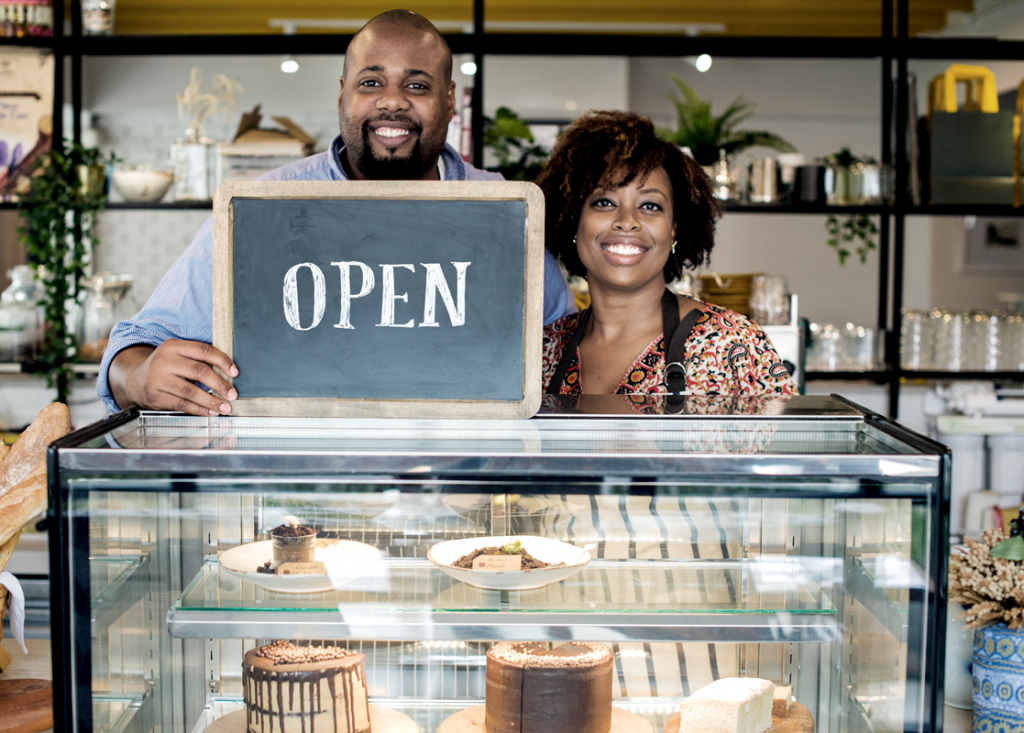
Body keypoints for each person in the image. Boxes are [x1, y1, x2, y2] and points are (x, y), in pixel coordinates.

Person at [98, 9, 575, 417]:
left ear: (449, 100)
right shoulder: (263, 208)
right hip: (300, 507)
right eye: (372, 82)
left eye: (417, 84)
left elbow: (567, 351)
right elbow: (133, 347)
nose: (393, 101)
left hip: (463, 497)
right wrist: (140, 378)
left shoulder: (507, 214)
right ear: (343, 92)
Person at [536, 110, 796, 397]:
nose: (627, 220)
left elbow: (797, 443)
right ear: (573, 220)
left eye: (650, 206)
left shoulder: (734, 345)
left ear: (673, 230)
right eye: (604, 201)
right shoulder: (543, 351)